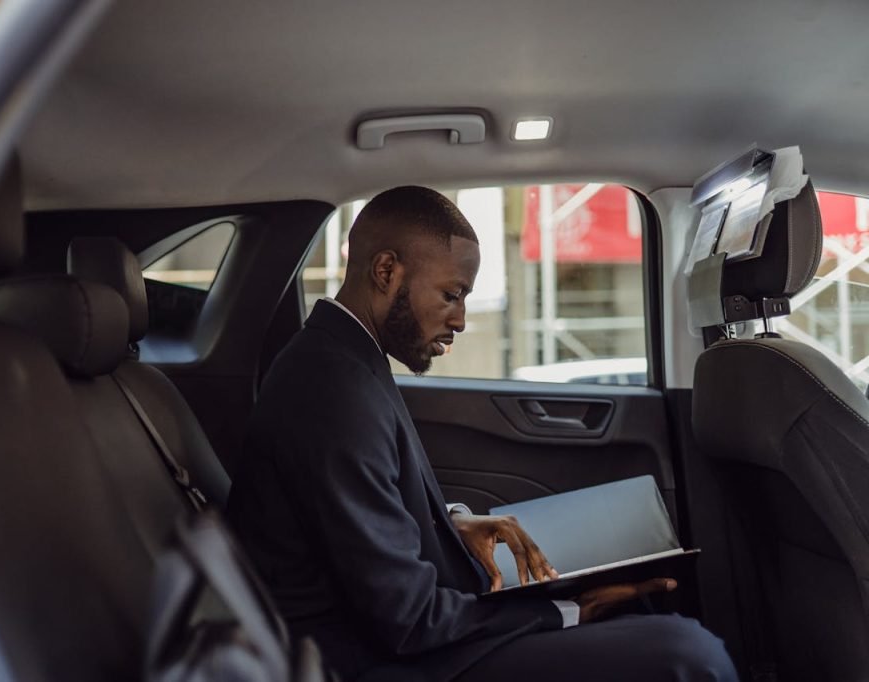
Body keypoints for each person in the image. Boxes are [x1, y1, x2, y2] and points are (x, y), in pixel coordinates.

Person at [227, 186, 737, 681]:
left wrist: (451, 524)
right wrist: (567, 611)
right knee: (688, 653)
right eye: (452, 295)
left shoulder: (344, 360)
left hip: (383, 635)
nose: (462, 320)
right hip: (367, 659)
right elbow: (408, 622)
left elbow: (371, 507)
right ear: (386, 271)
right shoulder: (330, 389)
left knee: (634, 598)